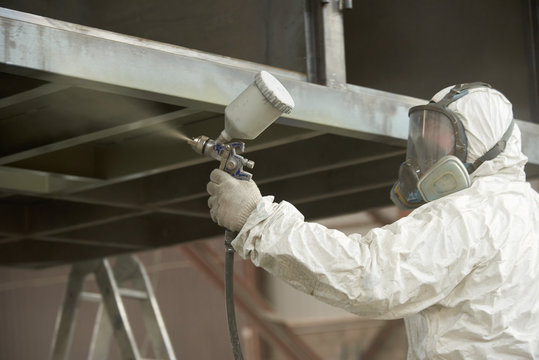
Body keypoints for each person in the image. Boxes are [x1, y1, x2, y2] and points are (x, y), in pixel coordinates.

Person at [206, 83, 539, 359]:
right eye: (424, 142)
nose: (427, 157)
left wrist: (257, 221)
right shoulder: (527, 209)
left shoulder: (471, 213)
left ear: (480, 146)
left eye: (440, 144)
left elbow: (370, 277)